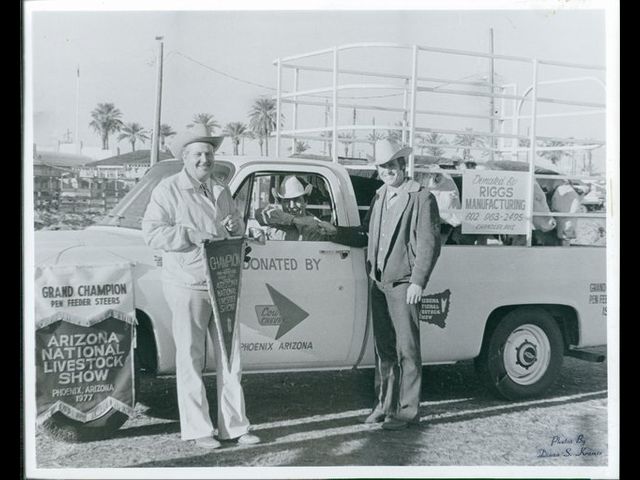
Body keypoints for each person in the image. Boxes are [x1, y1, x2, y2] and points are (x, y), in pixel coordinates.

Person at [142, 125, 260, 449]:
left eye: (208, 154)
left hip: (222, 282)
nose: (204, 159)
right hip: (188, 284)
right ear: (185, 157)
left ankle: (235, 427)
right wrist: (189, 234)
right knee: (190, 357)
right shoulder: (168, 190)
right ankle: (199, 431)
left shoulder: (220, 190)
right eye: (198, 154)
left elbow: (234, 229)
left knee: (230, 357)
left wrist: (237, 226)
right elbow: (152, 233)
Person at [325, 139, 441, 430]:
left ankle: (407, 412)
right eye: (382, 166)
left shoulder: (421, 197)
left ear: (402, 165)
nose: (388, 171)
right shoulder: (379, 196)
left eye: (392, 165)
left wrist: (418, 281)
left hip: (404, 284)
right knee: (384, 349)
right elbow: (365, 234)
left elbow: (429, 245)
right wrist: (327, 231)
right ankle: (383, 405)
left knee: (408, 350)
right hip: (378, 282)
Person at [255, 175, 333, 241]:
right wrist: (296, 220)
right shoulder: (275, 220)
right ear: (281, 203)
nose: (291, 206)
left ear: (305, 202)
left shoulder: (316, 225)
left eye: (297, 200)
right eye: (286, 201)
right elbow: (259, 214)